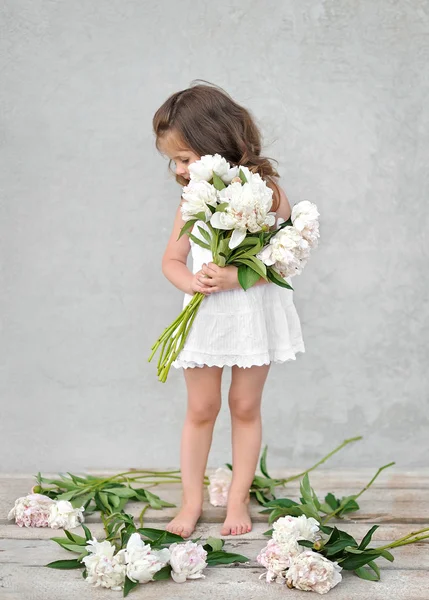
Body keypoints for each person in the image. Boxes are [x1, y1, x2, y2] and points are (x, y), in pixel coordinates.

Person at [152, 82, 305, 538]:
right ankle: (192, 501)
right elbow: (171, 261)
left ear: (217, 144)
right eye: (172, 161)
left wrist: (240, 277)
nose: (178, 170)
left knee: (244, 405)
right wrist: (192, 282)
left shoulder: (268, 194)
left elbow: (283, 257)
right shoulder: (193, 200)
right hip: (207, 317)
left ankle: (238, 498)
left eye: (184, 157)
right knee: (201, 407)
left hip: (252, 315)